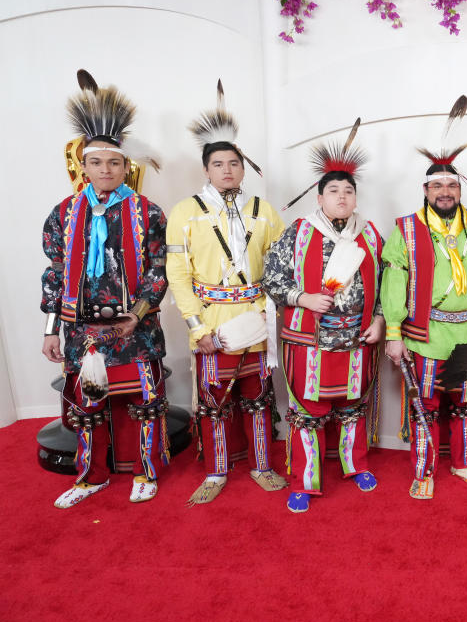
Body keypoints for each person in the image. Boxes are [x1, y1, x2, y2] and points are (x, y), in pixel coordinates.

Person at [43, 70, 169, 508]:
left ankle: (145, 472)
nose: (106, 169)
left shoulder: (146, 212)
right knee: (88, 408)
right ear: (83, 166)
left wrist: (139, 311)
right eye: (97, 162)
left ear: (125, 166)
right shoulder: (64, 214)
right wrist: (49, 330)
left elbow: (159, 269)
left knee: (144, 406)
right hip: (82, 332)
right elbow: (55, 273)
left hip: (136, 329)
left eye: (114, 162)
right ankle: (90, 477)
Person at [166, 83, 287, 505]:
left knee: (257, 399)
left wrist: (272, 318)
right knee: (215, 403)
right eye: (218, 164)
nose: (227, 170)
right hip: (212, 319)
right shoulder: (185, 212)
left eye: (234, 163)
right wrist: (196, 326)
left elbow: (279, 267)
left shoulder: (264, 211)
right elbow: (178, 275)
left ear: (242, 167)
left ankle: (261, 465)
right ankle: (216, 471)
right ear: (206, 170)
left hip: (256, 316)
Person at [264, 129, 385, 512]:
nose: (342, 197)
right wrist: (303, 297)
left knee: (352, 404)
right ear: (320, 198)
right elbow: (271, 278)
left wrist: (380, 319)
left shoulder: (370, 236)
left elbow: (386, 285)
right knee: (309, 408)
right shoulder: (298, 233)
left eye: (348, 192)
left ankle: (355, 465)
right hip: (309, 340)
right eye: (334, 191)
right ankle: (305, 481)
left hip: (356, 338)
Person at [381, 145, 467, 499]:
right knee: (425, 407)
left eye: (452, 185)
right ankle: (424, 470)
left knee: (465, 404)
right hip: (425, 334)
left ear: (460, 189)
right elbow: (394, 284)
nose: (445, 192)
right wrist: (393, 332)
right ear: (425, 190)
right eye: (437, 186)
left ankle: (464, 464)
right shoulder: (407, 229)